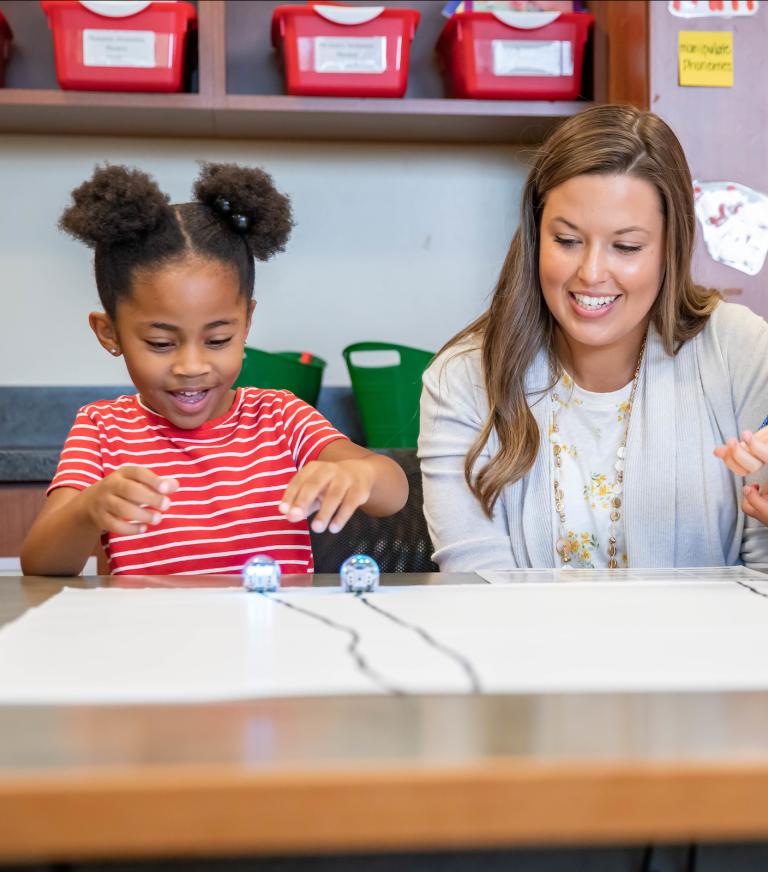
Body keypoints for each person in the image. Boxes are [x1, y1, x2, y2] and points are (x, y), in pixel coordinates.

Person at [419, 104, 768, 571]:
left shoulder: (738, 348)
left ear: (672, 247)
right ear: (535, 235)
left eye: (625, 247)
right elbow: (478, 589)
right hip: (518, 644)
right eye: (566, 240)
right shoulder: (463, 377)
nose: (591, 273)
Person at [21, 163, 407, 577]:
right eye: (161, 344)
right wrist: (87, 509)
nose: (191, 366)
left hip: (280, 638)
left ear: (247, 323)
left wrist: (361, 474)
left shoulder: (281, 417)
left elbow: (394, 490)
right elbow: (40, 563)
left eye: (218, 340)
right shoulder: (102, 429)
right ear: (109, 332)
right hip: (150, 640)